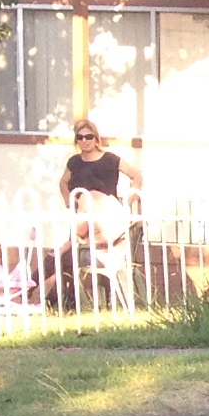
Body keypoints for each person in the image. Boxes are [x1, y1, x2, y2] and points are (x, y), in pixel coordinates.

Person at [54, 118, 138, 310]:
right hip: (82, 218)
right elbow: (63, 182)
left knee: (69, 252)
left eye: (89, 136)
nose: (85, 141)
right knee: (68, 254)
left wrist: (127, 202)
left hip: (105, 220)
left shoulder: (110, 159)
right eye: (80, 137)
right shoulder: (74, 162)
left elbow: (136, 176)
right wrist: (69, 201)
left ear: (96, 138)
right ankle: (55, 296)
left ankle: (40, 287)